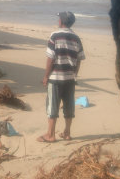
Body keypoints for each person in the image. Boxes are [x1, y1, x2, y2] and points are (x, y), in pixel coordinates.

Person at [37, 11, 85, 142]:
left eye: (58, 18)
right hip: (70, 78)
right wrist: (75, 74)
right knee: (69, 106)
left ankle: (50, 135)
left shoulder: (55, 35)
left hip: (56, 78)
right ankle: (67, 133)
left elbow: (50, 59)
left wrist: (46, 76)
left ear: (61, 21)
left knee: (53, 106)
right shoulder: (76, 38)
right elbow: (79, 59)